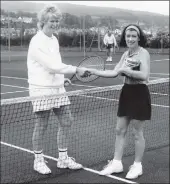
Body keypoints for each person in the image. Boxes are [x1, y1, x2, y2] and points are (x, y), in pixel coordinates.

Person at [27, 4, 88, 175]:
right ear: (43, 21)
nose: (55, 24)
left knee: (67, 120)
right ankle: (38, 160)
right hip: (41, 89)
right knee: (42, 124)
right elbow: (52, 66)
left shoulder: (54, 39)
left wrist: (62, 79)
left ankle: (62, 158)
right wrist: (76, 70)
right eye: (52, 20)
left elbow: (56, 65)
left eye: (57, 21)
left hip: (57, 88)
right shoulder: (37, 41)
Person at [87, 24, 151, 179]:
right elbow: (114, 72)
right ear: (124, 37)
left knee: (137, 133)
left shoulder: (143, 53)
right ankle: (117, 163)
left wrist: (126, 70)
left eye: (133, 36)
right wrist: (95, 71)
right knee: (119, 130)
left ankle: (137, 166)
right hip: (126, 92)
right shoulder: (125, 54)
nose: (130, 39)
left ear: (138, 38)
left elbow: (144, 75)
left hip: (139, 93)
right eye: (128, 36)